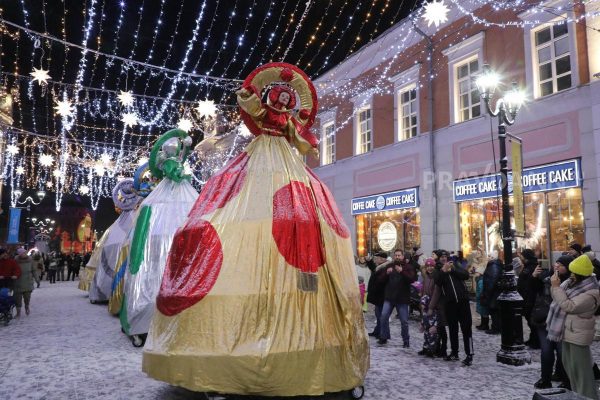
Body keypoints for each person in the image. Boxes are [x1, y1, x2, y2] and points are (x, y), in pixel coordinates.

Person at [547, 255, 600, 399]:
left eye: (573, 272)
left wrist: (556, 287)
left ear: (580, 274)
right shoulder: (572, 284)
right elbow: (558, 299)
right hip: (567, 331)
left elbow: (569, 306)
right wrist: (555, 286)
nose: (571, 275)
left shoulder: (592, 291)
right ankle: (578, 396)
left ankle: (588, 397)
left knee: (582, 373)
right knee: (571, 370)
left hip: (578, 334)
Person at [530, 255, 572, 389]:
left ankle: (566, 380)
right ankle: (545, 379)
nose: (557, 266)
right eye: (556, 263)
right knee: (546, 351)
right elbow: (530, 292)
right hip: (545, 320)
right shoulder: (546, 278)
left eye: (561, 264)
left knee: (562, 353)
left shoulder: (572, 282)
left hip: (562, 322)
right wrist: (533, 278)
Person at [434, 250, 473, 366]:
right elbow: (437, 282)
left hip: (463, 301)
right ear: (438, 259)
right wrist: (443, 271)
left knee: (466, 328)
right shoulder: (437, 270)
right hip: (450, 303)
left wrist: (453, 270)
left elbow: (465, 275)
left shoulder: (455, 265)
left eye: (445, 256)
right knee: (453, 329)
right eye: (441, 257)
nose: (444, 259)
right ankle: (454, 353)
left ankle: (469, 354)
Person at [377, 249, 416, 346]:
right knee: (384, 317)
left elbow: (412, 279)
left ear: (403, 256)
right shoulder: (390, 266)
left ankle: (406, 340)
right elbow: (380, 280)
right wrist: (386, 274)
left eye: (399, 255)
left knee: (404, 321)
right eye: (396, 255)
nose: (397, 257)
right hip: (389, 297)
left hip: (402, 299)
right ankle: (383, 337)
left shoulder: (408, 267)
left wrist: (402, 271)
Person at [518, 248, 542, 349]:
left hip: (530, 298)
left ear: (526, 257)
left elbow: (531, 283)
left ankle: (536, 341)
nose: (520, 258)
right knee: (529, 320)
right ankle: (533, 339)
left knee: (532, 320)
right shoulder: (528, 266)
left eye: (522, 256)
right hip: (526, 297)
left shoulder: (532, 267)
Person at [365, 252, 392, 339]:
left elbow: (380, 277)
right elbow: (374, 269)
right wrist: (369, 262)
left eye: (377, 258)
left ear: (382, 259)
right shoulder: (380, 267)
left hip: (382, 295)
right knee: (378, 314)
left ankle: (383, 334)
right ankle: (378, 331)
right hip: (378, 295)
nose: (376, 259)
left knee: (381, 315)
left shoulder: (385, 267)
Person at [481, 259, 503, 334]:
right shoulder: (496, 266)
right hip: (496, 292)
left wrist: (487, 294)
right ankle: (497, 327)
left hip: (494, 293)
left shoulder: (493, 266)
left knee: (494, 310)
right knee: (495, 311)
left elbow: (491, 282)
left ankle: (496, 328)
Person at [14, 248, 35, 317]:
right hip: (18, 282)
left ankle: (26, 307)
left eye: (25, 253)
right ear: (19, 254)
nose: (24, 254)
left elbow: (33, 270)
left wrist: (37, 279)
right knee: (17, 299)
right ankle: (18, 312)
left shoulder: (30, 260)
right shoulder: (15, 261)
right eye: (22, 253)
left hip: (28, 282)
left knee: (27, 298)